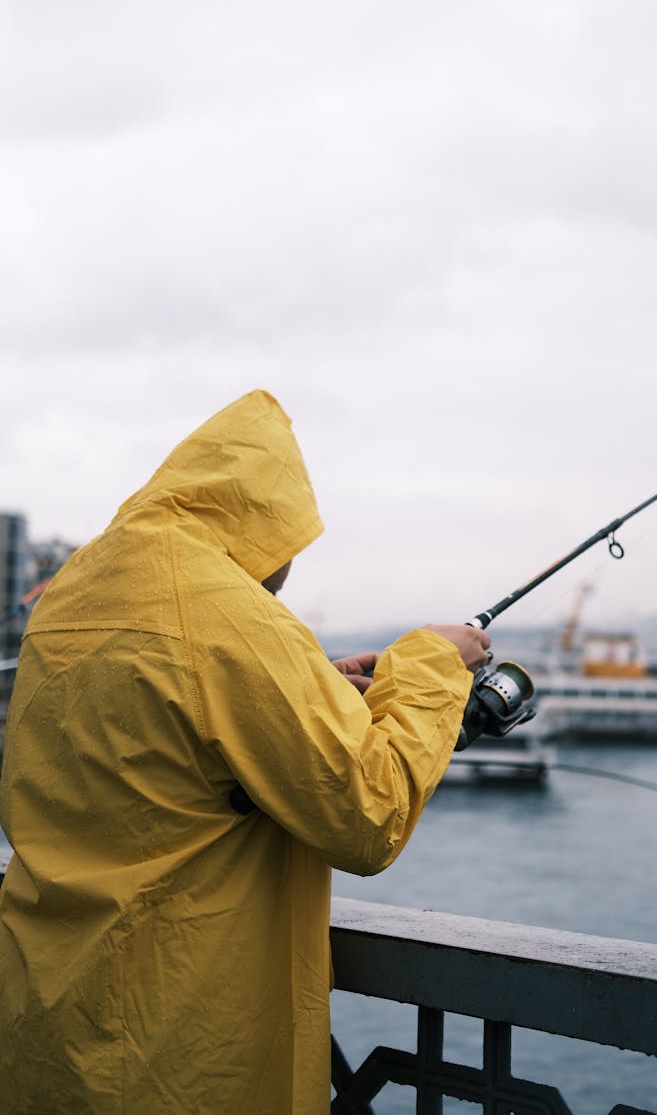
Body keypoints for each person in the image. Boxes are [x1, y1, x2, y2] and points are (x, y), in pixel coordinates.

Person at [0, 390, 490, 1114]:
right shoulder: (229, 609)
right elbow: (368, 814)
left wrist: (315, 689)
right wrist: (433, 664)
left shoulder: (74, 592)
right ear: (268, 521)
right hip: (178, 1045)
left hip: (45, 1021)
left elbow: (159, 737)